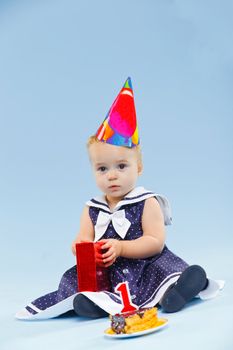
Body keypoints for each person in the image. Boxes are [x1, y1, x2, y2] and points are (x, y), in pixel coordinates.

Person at [15, 78, 223, 320]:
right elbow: (84, 237)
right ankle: (96, 304)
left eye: (121, 166)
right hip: (111, 274)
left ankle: (183, 288)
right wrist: (81, 247)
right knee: (78, 286)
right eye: (102, 169)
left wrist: (122, 247)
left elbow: (155, 241)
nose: (112, 175)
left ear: (139, 167)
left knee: (164, 278)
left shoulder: (147, 202)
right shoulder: (92, 208)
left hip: (147, 267)